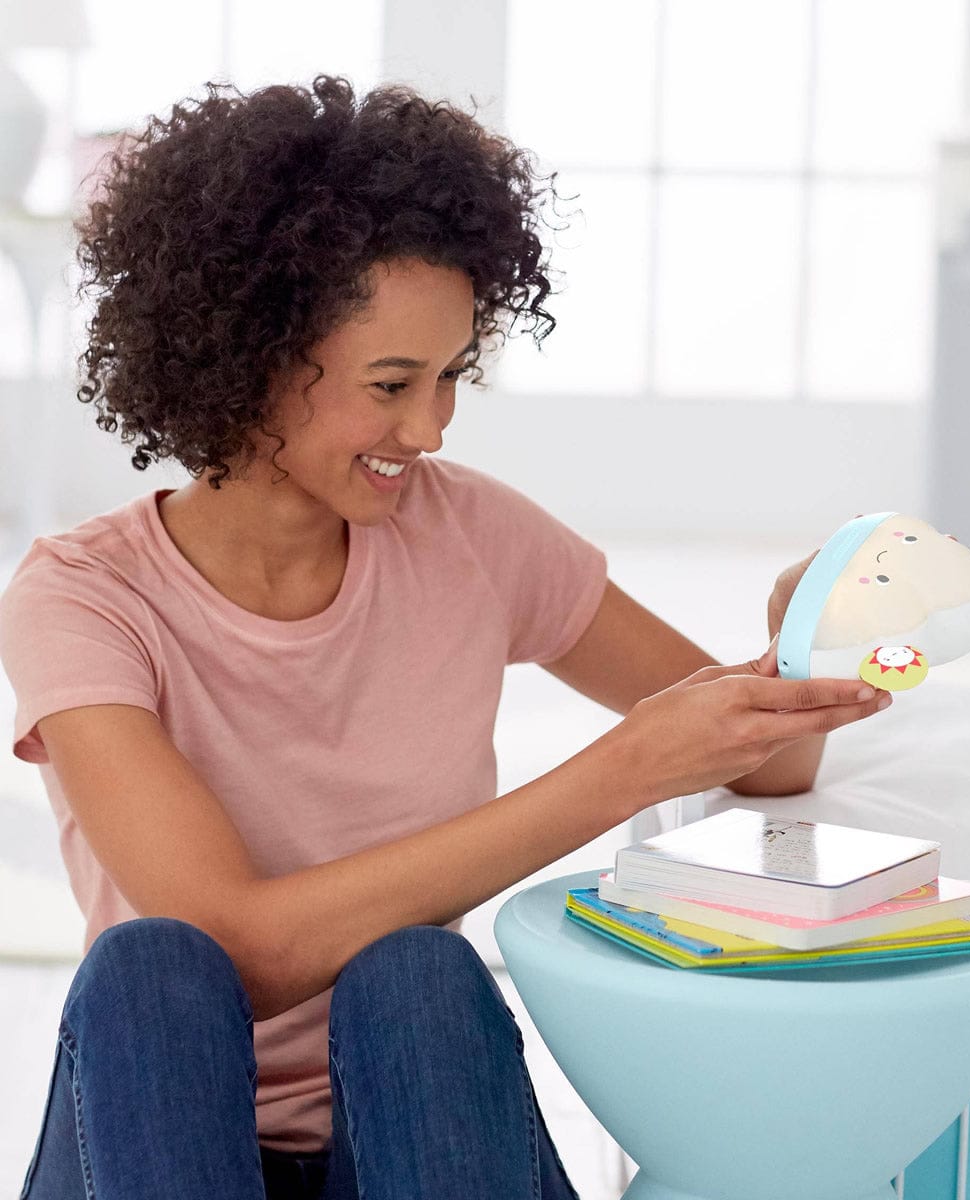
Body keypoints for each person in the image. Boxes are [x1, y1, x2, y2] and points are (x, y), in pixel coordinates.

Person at [0, 75, 891, 1200]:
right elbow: (241, 950)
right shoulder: (83, 597)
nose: (429, 428)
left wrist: (800, 640)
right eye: (391, 384)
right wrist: (621, 771)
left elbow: (761, 763)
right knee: (151, 970)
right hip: (158, 1150)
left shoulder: (471, 536)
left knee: (417, 974)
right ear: (248, 357)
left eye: (452, 376)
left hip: (413, 1139)